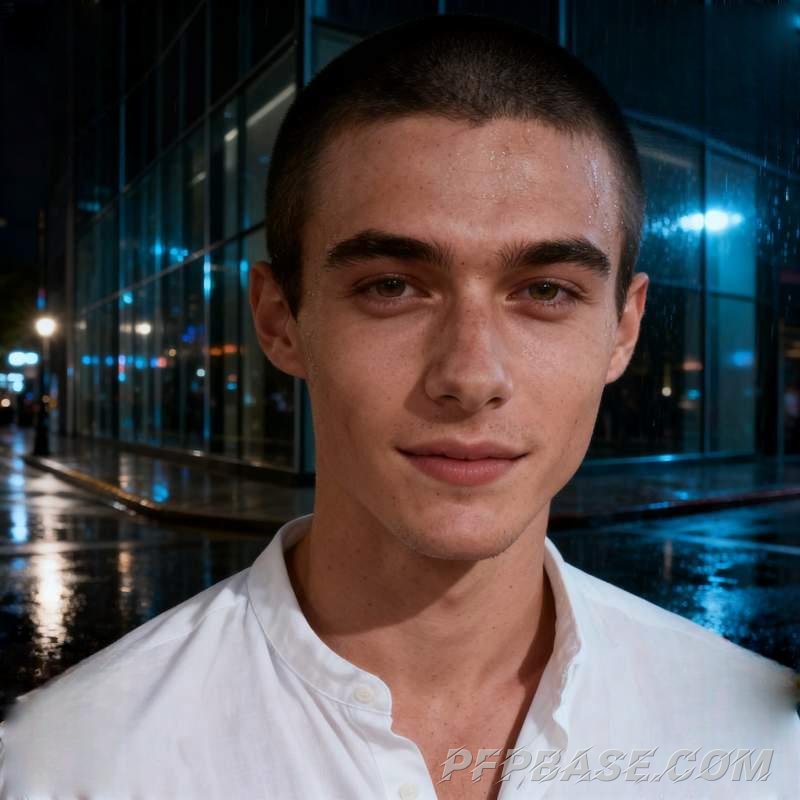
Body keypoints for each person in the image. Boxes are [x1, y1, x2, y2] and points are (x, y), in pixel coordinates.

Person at [2, 14, 798, 800]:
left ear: (622, 330)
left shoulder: (764, 745)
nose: (470, 374)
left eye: (546, 291)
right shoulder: (67, 768)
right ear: (281, 319)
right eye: (392, 287)